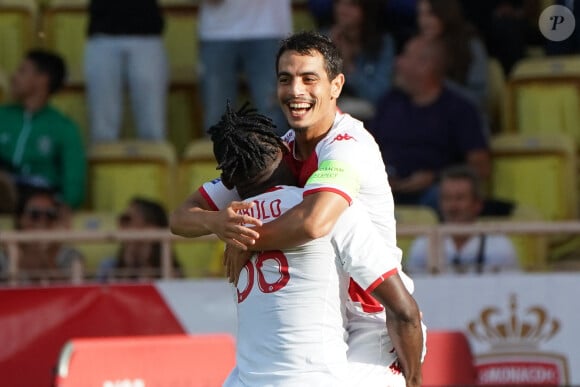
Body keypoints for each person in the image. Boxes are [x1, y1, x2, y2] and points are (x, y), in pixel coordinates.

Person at [171, 32, 422, 385]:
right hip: (325, 316)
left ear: (336, 86)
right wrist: (219, 223)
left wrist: (248, 240)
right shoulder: (278, 151)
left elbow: (315, 222)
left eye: (309, 78)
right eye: (285, 79)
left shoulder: (348, 145)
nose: (296, 90)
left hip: (376, 318)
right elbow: (181, 217)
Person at [208, 104, 422, 386]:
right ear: (284, 151)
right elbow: (405, 313)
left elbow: (182, 218)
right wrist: (415, 380)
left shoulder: (232, 226)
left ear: (228, 180)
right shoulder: (326, 209)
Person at [369, 36, 490, 210]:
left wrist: (435, 177)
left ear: (425, 66)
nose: (398, 62)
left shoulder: (460, 109)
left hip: (432, 193)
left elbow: (480, 166)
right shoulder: (388, 103)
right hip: (385, 190)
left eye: (406, 56)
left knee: (444, 195)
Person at [0, 50, 87, 209]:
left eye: (22, 71)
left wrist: (66, 205)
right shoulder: (2, 116)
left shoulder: (63, 127)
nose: (14, 77)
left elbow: (73, 180)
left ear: (42, 79)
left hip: (40, 197)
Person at [198, 0, 291, 134]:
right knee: (217, 116)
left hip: (269, 28)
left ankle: (280, 154)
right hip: (216, 31)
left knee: (273, 114)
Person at [406, 165, 519, 274]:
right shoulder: (423, 244)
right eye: (447, 198)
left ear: (477, 204)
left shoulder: (499, 245)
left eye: (460, 198)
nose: (453, 206)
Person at [85, 0, 168, 142]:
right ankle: (105, 162)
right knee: (102, 127)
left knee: (152, 123)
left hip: (146, 33)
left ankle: (154, 162)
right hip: (102, 33)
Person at [326, 0, 396, 120]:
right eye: (340, 3)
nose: (343, 10)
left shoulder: (383, 43)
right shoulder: (324, 38)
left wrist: (348, 66)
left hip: (370, 116)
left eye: (351, 5)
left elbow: (377, 95)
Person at [0, 187, 84, 284]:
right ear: (20, 218)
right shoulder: (3, 258)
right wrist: (14, 260)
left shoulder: (71, 256)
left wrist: (49, 259)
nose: (43, 220)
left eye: (50, 214)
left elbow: (75, 296)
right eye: (34, 214)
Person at [417, 0, 489, 109]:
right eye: (420, 14)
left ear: (446, 13)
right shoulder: (416, 47)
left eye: (430, 14)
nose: (423, 22)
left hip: (463, 117)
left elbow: (477, 96)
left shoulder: (470, 45)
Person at [97, 197, 182, 282]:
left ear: (151, 228)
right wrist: (127, 267)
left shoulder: (172, 271)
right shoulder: (109, 267)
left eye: (126, 219)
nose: (121, 225)